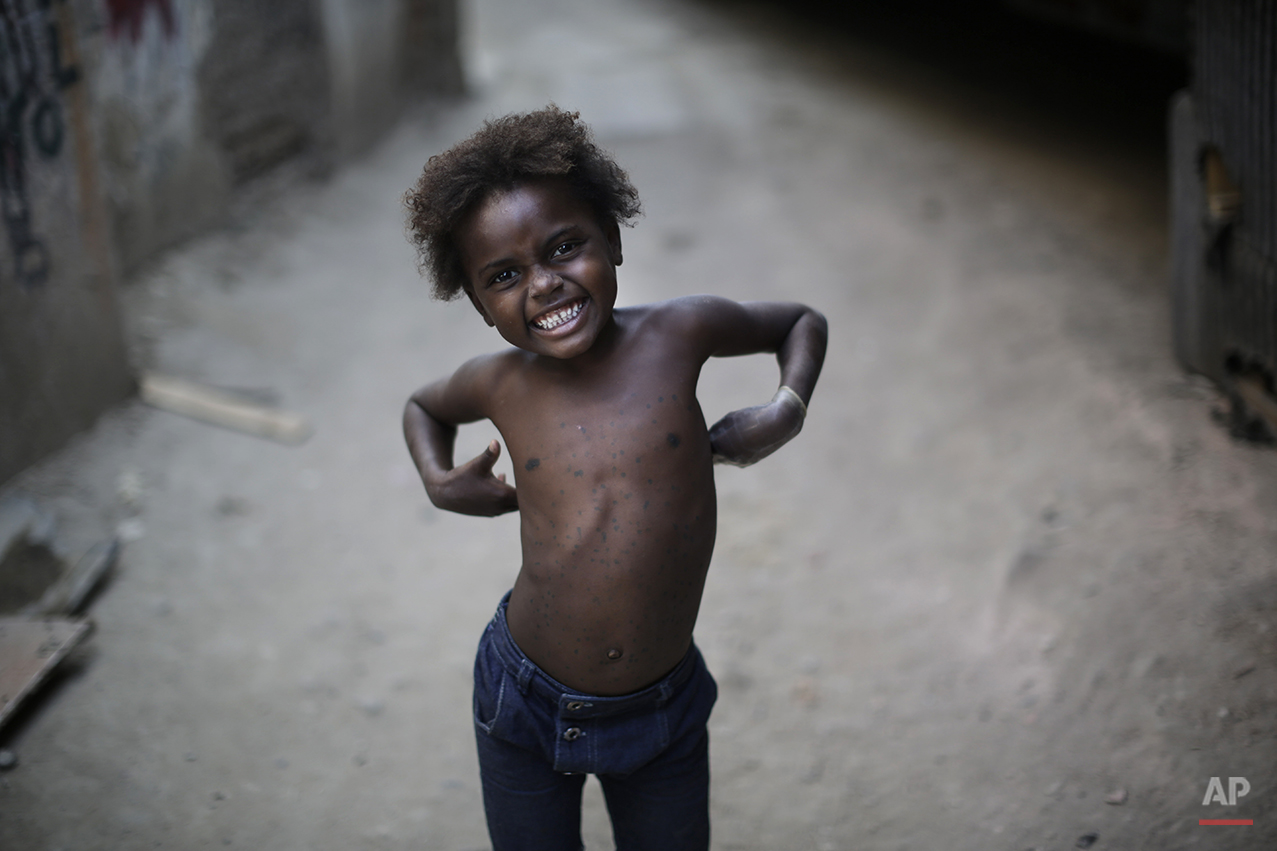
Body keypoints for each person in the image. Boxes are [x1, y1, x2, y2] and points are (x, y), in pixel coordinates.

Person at [402, 106, 826, 851]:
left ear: (614, 239)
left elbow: (800, 323)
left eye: (565, 247)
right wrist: (440, 480)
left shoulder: (679, 333)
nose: (542, 284)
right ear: (477, 303)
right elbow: (421, 408)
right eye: (503, 276)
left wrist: (783, 409)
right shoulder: (497, 382)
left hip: (660, 711)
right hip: (522, 699)